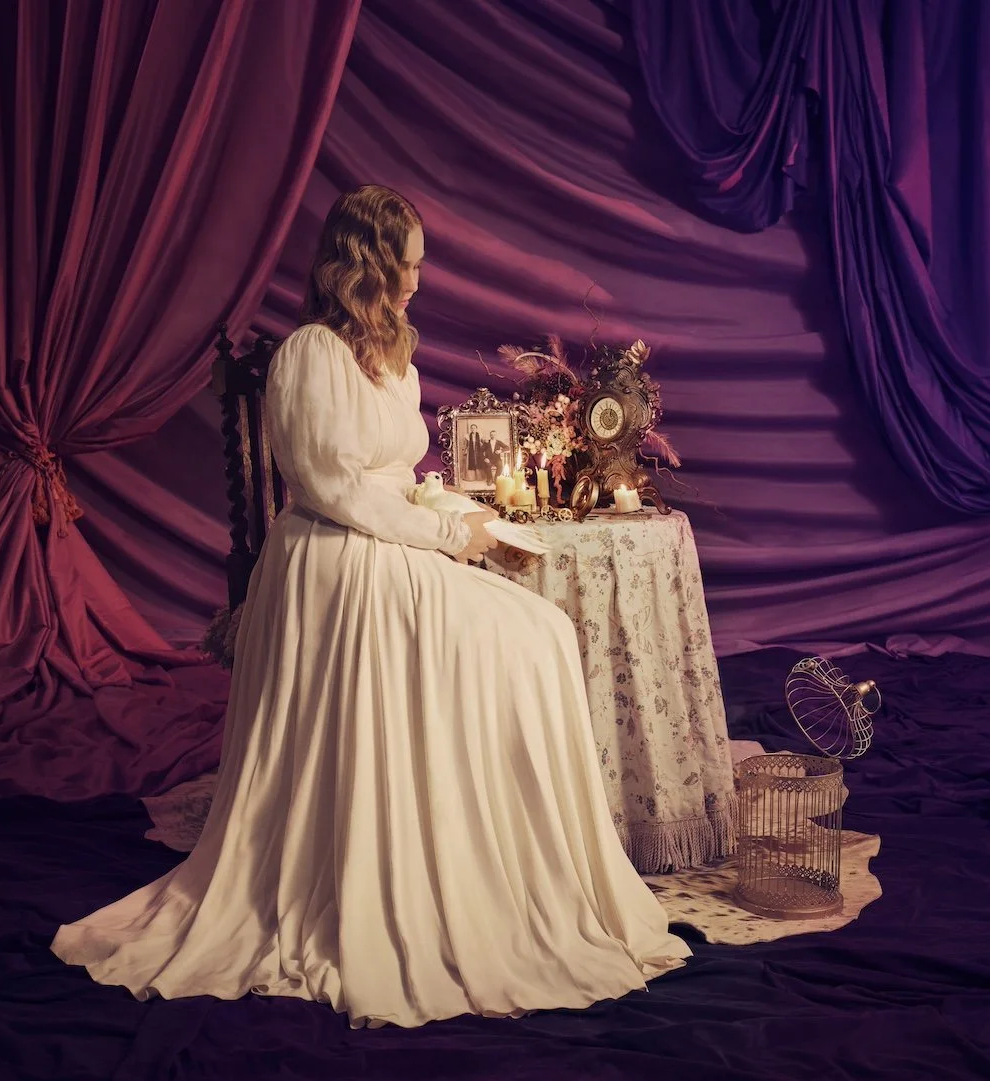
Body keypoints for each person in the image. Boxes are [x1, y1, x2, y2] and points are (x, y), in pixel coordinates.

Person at [51, 185, 689, 1028]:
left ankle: (495, 858)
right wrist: (446, 541)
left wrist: (464, 515)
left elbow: (394, 479)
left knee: (540, 629)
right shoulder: (309, 354)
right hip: (334, 560)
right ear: (370, 266)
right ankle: (449, 864)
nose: (420, 284)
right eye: (410, 267)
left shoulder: (394, 356)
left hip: (386, 541)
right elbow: (332, 488)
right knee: (524, 637)